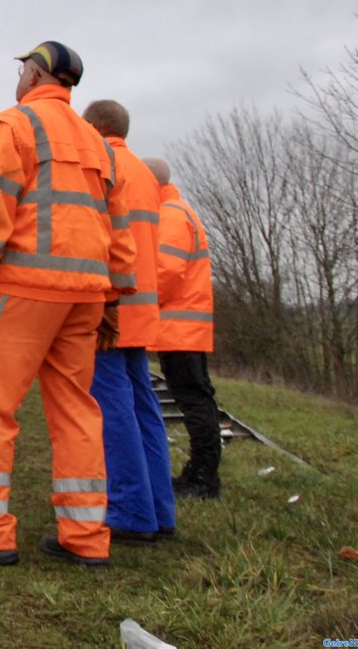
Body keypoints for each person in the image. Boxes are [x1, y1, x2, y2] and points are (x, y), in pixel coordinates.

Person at [0, 41, 136, 568]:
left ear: (33, 73)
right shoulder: (98, 144)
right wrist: (114, 297)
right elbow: (116, 227)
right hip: (86, 296)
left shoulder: (13, 125)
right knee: (76, 411)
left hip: (27, 288)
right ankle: (86, 537)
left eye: (22, 67)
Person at [82, 100, 175, 543]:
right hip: (140, 308)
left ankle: (129, 513)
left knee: (112, 409)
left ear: (97, 127)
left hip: (110, 309)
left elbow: (100, 239)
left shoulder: (101, 164)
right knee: (143, 408)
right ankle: (159, 509)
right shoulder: (141, 170)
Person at [145, 157, 222, 499]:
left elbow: (166, 273)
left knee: (194, 401)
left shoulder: (171, 215)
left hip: (180, 329)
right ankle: (199, 473)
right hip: (183, 328)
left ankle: (203, 479)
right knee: (197, 399)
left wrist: (138, 305)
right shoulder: (176, 210)